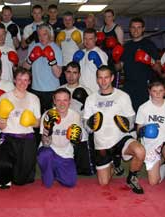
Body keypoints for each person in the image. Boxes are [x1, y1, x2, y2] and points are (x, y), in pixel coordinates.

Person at [83, 65, 145, 194]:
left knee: (140, 151)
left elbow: (131, 119)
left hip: (121, 139)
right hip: (102, 145)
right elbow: (86, 124)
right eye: (100, 78)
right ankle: (113, 162)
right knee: (103, 182)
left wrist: (126, 124)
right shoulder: (91, 99)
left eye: (106, 77)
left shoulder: (122, 96)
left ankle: (132, 177)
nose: (103, 81)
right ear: (96, 79)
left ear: (112, 78)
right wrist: (91, 125)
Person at [0, 67, 41, 189]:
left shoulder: (34, 98)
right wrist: (3, 117)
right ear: (14, 80)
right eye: (19, 79)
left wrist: (31, 121)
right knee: (1, 164)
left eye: (25, 80)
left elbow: (38, 124)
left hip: (27, 139)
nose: (22, 83)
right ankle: (4, 175)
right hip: (8, 137)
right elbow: (0, 126)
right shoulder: (5, 97)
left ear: (29, 82)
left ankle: (15, 172)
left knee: (21, 180)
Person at [38, 88, 82, 187]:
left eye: (65, 100)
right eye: (58, 100)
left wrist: (76, 139)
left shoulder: (75, 116)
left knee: (70, 182)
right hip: (50, 150)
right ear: (54, 101)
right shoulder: (47, 115)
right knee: (48, 183)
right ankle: (48, 169)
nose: (62, 104)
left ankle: (55, 169)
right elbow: (45, 144)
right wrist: (48, 131)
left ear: (70, 101)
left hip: (65, 152)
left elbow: (75, 142)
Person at [115, 17, 161, 112]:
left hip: (144, 86)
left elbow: (159, 69)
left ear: (143, 29)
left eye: (139, 27)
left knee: (143, 114)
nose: (136, 30)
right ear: (130, 29)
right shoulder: (126, 46)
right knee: (128, 114)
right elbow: (118, 67)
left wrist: (149, 60)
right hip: (128, 86)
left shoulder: (149, 45)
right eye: (133, 27)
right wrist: (115, 59)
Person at [60, 61, 95, 175]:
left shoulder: (87, 91)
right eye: (68, 72)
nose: (71, 76)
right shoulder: (59, 91)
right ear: (65, 73)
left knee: (87, 171)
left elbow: (91, 116)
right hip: (63, 133)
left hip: (81, 134)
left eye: (74, 73)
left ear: (79, 74)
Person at [23, 23, 62, 114]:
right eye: (39, 35)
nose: (42, 37)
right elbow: (25, 67)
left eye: (44, 34)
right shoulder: (33, 46)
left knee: (52, 119)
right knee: (36, 117)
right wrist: (30, 59)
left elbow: (58, 74)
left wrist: (52, 60)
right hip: (35, 89)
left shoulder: (56, 49)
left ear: (49, 35)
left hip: (52, 90)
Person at [136, 79, 165, 185]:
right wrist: (143, 130)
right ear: (149, 91)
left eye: (161, 90)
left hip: (164, 142)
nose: (157, 94)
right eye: (154, 91)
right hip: (150, 145)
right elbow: (138, 131)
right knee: (153, 182)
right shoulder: (143, 108)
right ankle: (162, 163)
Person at [73, 28, 108, 92]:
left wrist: (99, 64)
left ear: (95, 39)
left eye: (90, 39)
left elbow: (106, 73)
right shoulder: (81, 53)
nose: (87, 41)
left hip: (95, 90)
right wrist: (74, 62)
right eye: (85, 39)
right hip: (81, 89)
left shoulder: (100, 53)